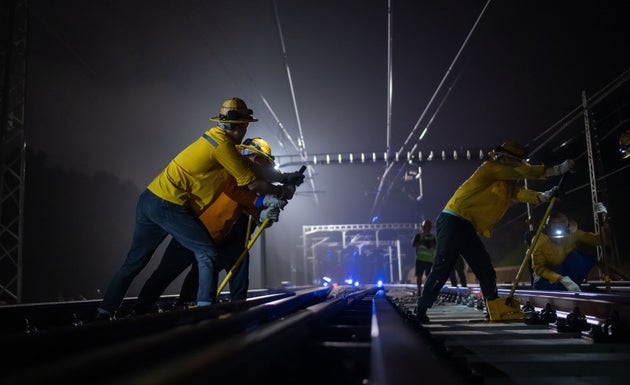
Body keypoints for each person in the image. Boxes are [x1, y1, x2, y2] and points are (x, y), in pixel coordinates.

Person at [96, 98, 301, 319]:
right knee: (206, 254)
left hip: (149, 199)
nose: (244, 130)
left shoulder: (217, 142)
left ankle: (104, 312)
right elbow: (250, 184)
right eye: (244, 125)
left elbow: (253, 173)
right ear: (241, 126)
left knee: (134, 263)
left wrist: (285, 178)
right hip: (172, 206)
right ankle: (204, 313)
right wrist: (279, 193)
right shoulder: (225, 148)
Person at [415, 141, 575, 323]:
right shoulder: (491, 168)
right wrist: (556, 170)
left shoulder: (504, 183)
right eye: (517, 161)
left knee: (484, 268)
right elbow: (522, 172)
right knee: (443, 266)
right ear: (506, 159)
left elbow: (519, 193)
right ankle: (422, 308)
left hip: (467, 225)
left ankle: (494, 309)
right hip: (453, 219)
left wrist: (544, 196)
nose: (520, 165)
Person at [133, 138, 291, 313]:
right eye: (260, 160)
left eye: (264, 162)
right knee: (165, 273)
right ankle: (140, 310)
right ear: (248, 155)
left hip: (215, 238)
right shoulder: (231, 172)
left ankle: (195, 307)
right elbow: (243, 195)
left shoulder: (249, 185)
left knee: (203, 273)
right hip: (190, 231)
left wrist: (264, 214)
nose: (261, 165)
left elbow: (251, 209)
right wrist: (275, 194)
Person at [531, 206, 606, 292]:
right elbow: (539, 269)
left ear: (567, 229)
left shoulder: (572, 234)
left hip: (564, 271)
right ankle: (564, 287)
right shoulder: (539, 241)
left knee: (577, 258)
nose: (559, 239)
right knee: (548, 287)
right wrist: (562, 279)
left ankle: (574, 285)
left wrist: (603, 220)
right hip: (545, 279)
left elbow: (599, 240)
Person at [412, 220, 436, 294]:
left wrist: (430, 244)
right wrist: (422, 241)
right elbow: (414, 244)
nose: (426, 228)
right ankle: (419, 290)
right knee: (419, 275)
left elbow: (434, 247)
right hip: (420, 259)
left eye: (428, 227)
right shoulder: (419, 236)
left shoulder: (432, 237)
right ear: (422, 227)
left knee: (428, 276)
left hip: (429, 260)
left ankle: (427, 290)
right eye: (425, 226)